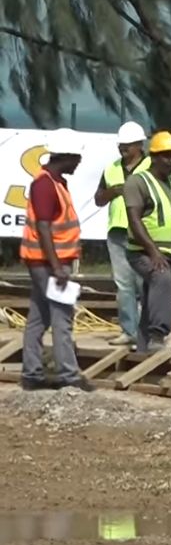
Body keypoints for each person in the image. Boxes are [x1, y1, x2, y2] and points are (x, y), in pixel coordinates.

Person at [19, 129, 94, 392]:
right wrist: (55, 267)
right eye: (77, 157)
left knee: (39, 317)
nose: (79, 162)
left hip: (45, 262)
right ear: (67, 156)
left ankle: (32, 374)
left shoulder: (55, 183)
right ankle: (69, 376)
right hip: (48, 263)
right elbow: (43, 227)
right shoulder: (45, 185)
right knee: (62, 317)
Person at [123, 131, 171, 353]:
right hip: (143, 252)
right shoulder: (137, 182)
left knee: (153, 298)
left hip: (169, 252)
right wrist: (153, 251)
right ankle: (158, 336)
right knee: (161, 278)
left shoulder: (169, 183)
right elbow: (134, 219)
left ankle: (143, 352)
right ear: (153, 157)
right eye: (166, 155)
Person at [94, 121, 151, 346]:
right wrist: (113, 191)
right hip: (118, 232)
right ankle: (129, 332)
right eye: (121, 145)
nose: (123, 149)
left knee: (144, 283)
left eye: (127, 145)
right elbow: (98, 199)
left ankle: (148, 331)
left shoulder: (151, 167)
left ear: (139, 145)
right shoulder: (111, 169)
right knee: (124, 284)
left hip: (145, 232)